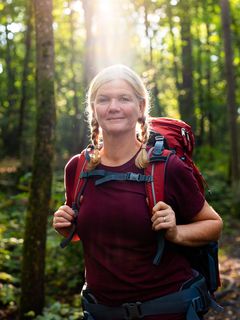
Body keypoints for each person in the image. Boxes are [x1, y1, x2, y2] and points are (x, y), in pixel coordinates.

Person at [53, 64, 223, 320]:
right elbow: (91, 232)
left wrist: (176, 232)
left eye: (124, 98)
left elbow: (213, 224)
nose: (113, 107)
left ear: (141, 108)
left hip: (167, 310)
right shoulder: (77, 168)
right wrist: (67, 227)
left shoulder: (166, 167)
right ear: (94, 110)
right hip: (101, 312)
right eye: (104, 99)